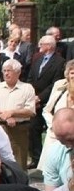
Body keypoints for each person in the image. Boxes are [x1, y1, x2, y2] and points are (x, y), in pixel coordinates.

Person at [0, 59, 36, 168]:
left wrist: (12, 112)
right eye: (4, 70)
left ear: (18, 72)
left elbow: (31, 111)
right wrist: (5, 116)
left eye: (9, 70)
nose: (6, 73)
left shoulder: (27, 88)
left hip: (19, 130)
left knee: (19, 161)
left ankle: (20, 183)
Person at [27, 35, 66, 169]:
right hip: (35, 101)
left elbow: (55, 84)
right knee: (33, 129)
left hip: (49, 102)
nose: (39, 46)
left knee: (53, 132)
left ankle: (52, 160)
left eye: (42, 44)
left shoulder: (60, 62)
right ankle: (36, 159)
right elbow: (31, 78)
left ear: (49, 46)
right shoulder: (37, 59)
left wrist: (40, 98)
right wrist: (32, 96)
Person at [38, 60, 74, 171]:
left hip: (72, 140)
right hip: (54, 137)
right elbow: (46, 110)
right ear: (67, 74)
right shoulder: (59, 86)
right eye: (72, 73)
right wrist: (53, 125)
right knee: (52, 172)